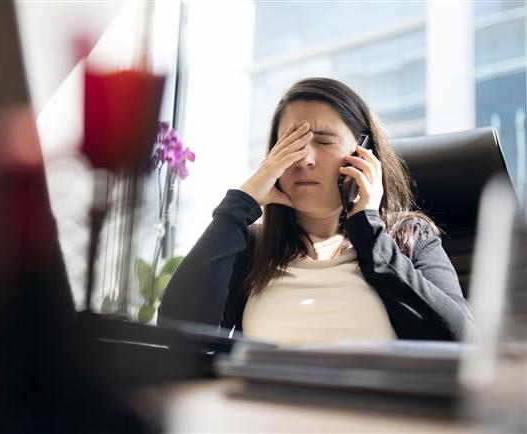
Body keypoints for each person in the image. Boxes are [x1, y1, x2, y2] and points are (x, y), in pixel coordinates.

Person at [157, 77, 475, 345]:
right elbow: (176, 333)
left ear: (364, 153)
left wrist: (369, 230)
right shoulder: (255, 247)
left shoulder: (408, 237)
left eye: (323, 141)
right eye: (290, 145)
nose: (304, 159)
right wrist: (240, 204)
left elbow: (460, 341)